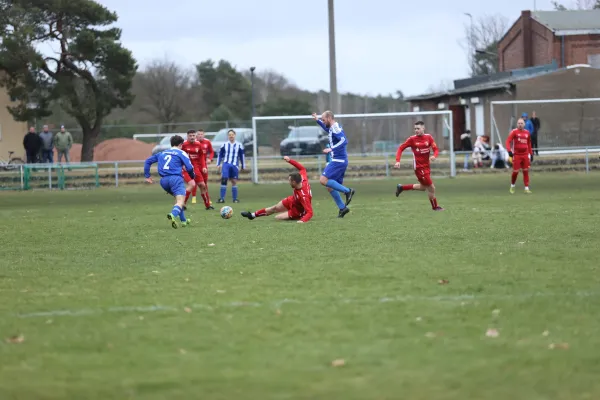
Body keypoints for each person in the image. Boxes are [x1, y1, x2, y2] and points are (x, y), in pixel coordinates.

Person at [144, 135, 196, 228]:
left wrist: (147, 176)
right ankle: (173, 214)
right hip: (175, 179)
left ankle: (184, 221)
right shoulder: (181, 152)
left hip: (163, 181)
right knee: (180, 200)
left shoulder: (162, 153)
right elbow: (189, 167)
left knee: (178, 199)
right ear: (181, 144)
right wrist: (192, 176)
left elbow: (148, 161)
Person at [241, 156, 313, 223]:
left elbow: (310, 212)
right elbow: (302, 169)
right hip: (292, 200)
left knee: (277, 217)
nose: (288, 182)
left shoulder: (304, 196)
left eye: (289, 181)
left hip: (297, 210)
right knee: (275, 208)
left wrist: (302, 221)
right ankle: (252, 215)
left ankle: (299, 216)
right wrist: (290, 160)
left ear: (294, 182)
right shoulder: (303, 179)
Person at [313, 111, 355, 218]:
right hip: (340, 161)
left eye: (323, 119)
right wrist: (317, 120)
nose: (323, 121)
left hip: (338, 161)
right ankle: (342, 208)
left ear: (329, 118)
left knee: (323, 180)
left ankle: (348, 191)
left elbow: (344, 140)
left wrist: (331, 148)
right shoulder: (332, 127)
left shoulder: (335, 128)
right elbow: (327, 129)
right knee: (330, 187)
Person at [394, 120, 444, 211]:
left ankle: (401, 187)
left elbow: (436, 149)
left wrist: (434, 156)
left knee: (423, 187)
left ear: (423, 128)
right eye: (415, 129)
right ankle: (435, 207)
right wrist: (398, 161)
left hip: (427, 167)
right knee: (431, 187)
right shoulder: (412, 139)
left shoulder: (429, 137)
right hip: (419, 168)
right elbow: (401, 148)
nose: (416, 130)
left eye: (418, 128)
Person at [182, 129, 214, 210]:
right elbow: (179, 156)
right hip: (186, 169)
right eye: (190, 136)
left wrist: (203, 166)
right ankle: (182, 204)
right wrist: (182, 165)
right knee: (192, 185)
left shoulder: (198, 144)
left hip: (196, 169)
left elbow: (202, 156)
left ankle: (207, 205)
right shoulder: (184, 145)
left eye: (193, 135)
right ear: (187, 136)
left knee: (203, 185)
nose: (192, 137)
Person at [506, 118, 533, 194]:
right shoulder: (514, 132)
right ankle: (512, 185)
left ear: (524, 124)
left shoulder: (527, 133)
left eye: (521, 123)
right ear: (517, 124)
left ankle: (526, 188)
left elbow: (529, 144)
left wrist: (531, 153)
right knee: (515, 172)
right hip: (517, 155)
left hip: (525, 155)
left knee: (525, 171)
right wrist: (509, 151)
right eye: (519, 123)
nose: (520, 125)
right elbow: (508, 141)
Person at [216, 129, 245, 203]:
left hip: (235, 165)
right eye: (229, 135)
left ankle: (235, 199)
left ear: (235, 135)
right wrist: (218, 164)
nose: (231, 136)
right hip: (226, 164)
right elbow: (220, 155)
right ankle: (222, 198)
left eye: (232, 134)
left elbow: (242, 156)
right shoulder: (224, 144)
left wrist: (243, 165)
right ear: (228, 136)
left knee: (234, 181)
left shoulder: (239, 145)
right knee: (224, 179)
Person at [192, 129, 214, 206]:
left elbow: (211, 151)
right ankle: (193, 197)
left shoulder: (207, 142)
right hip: (194, 165)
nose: (200, 135)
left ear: (204, 135)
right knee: (194, 182)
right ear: (196, 135)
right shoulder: (193, 142)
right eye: (199, 134)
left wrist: (209, 159)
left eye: (201, 134)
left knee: (204, 183)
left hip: (204, 166)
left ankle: (208, 199)